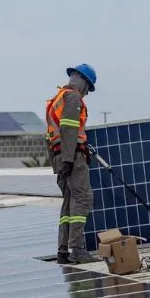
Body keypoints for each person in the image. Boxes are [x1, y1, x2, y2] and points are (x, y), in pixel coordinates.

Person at [45, 63, 98, 264]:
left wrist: (59, 162)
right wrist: (69, 158)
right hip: (72, 158)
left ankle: (63, 250)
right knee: (83, 199)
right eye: (89, 88)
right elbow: (69, 129)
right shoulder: (73, 97)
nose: (87, 93)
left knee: (68, 203)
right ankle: (77, 249)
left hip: (61, 157)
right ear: (84, 82)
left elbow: (51, 136)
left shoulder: (56, 99)